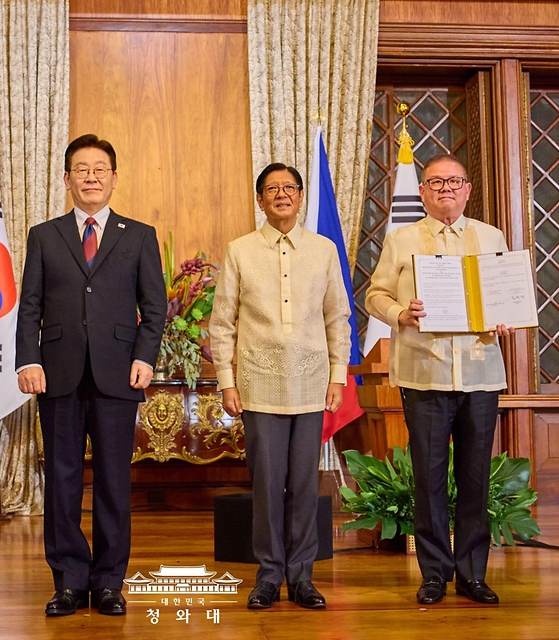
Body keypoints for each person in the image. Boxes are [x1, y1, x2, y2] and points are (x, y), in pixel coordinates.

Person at [16, 134, 166, 617]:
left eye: (100, 169)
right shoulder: (45, 234)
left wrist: (145, 357)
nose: (91, 177)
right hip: (56, 374)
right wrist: (27, 359)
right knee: (60, 480)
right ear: (66, 179)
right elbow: (30, 307)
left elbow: (155, 307)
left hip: (119, 374)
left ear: (114, 178)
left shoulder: (139, 235)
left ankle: (107, 582)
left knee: (112, 481)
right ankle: (68, 581)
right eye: (81, 169)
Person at [365, 153, 514, 606]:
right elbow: (374, 295)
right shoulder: (402, 238)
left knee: (474, 476)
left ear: (468, 189)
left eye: (454, 182)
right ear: (423, 192)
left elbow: (505, 294)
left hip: (480, 372)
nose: (446, 189)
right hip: (424, 372)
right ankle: (433, 574)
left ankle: (472, 573)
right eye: (436, 182)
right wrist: (399, 313)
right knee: (427, 479)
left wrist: (505, 317)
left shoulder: (490, 236)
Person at [209, 163, 351, 610]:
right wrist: (227, 382)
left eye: (289, 187)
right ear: (260, 200)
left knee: (305, 484)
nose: (281, 195)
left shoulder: (324, 250)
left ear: (302, 195)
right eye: (272, 189)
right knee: (268, 485)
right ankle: (269, 576)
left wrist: (337, 376)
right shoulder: (240, 251)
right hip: (258, 385)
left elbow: (337, 318)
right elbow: (221, 325)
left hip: (311, 384)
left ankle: (302, 577)